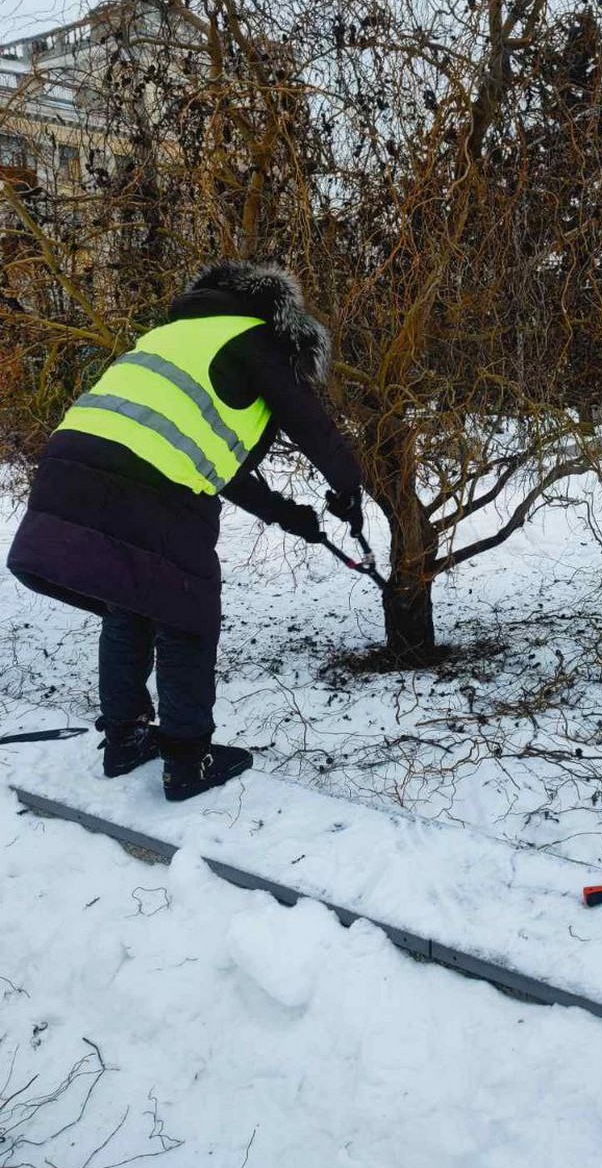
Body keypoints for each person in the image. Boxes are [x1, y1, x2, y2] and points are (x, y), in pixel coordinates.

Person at [6, 261, 363, 800]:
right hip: (148, 484)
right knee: (186, 611)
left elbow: (210, 453)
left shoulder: (173, 336)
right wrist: (348, 488)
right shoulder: (255, 338)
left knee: (132, 600)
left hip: (71, 461)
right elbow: (309, 422)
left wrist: (287, 514)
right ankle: (188, 761)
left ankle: (125, 740)